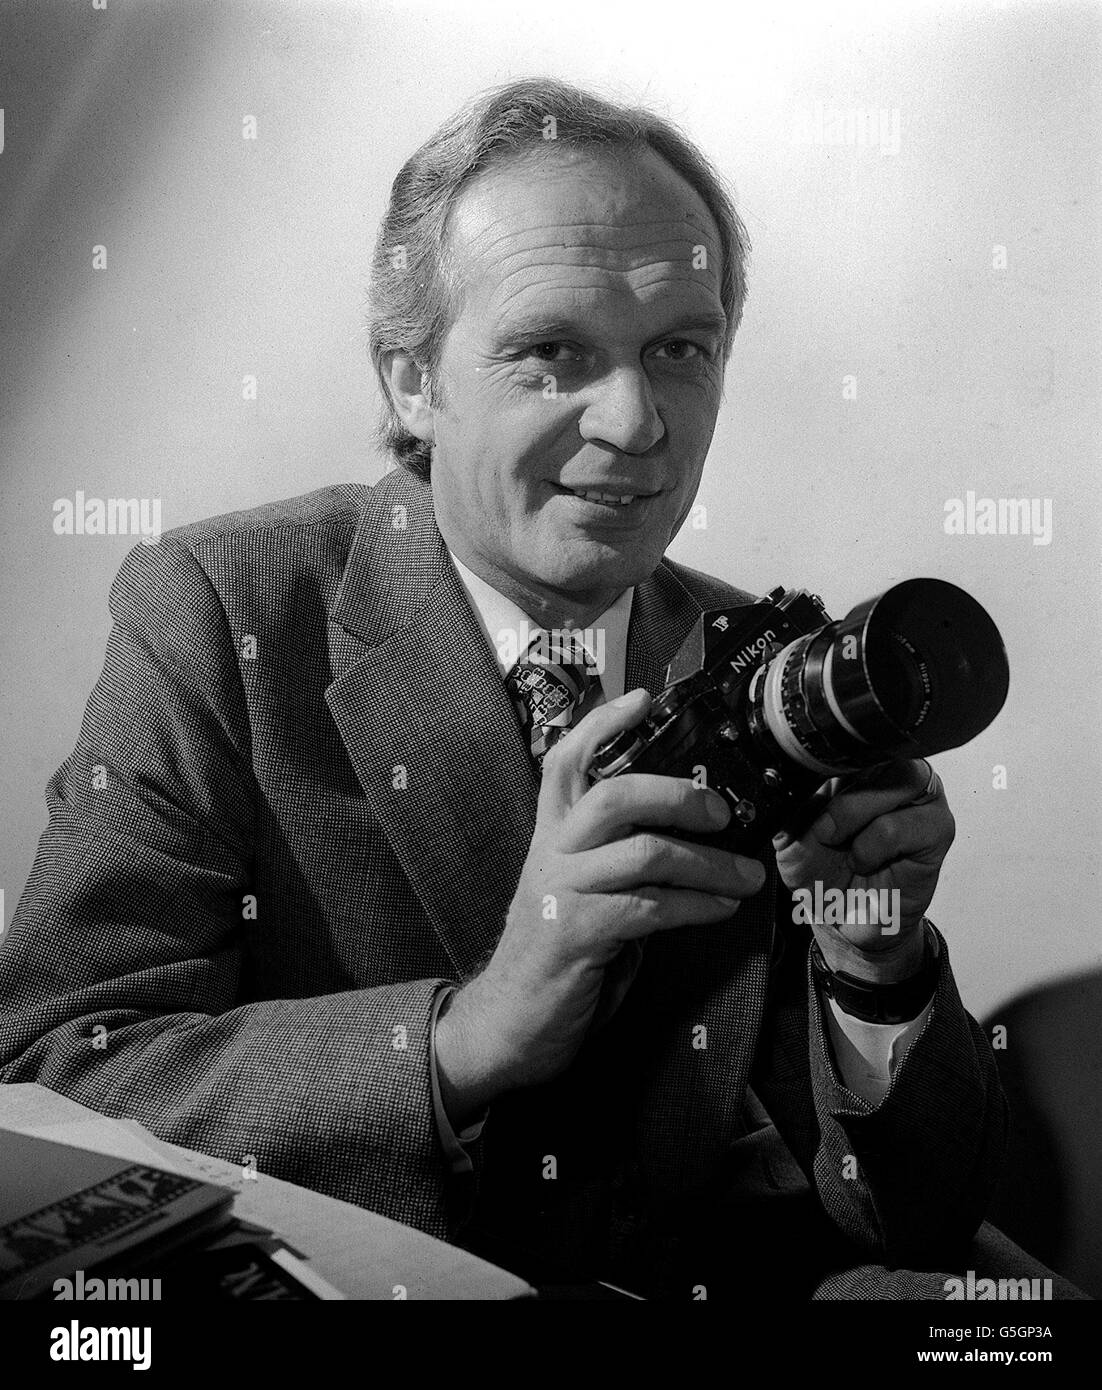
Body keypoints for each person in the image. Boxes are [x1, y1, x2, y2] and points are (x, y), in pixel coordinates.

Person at [0, 78, 1067, 1300]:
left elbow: (914, 1214)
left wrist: (872, 968)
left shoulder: (754, 660)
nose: (634, 422)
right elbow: (55, 1070)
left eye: (681, 349)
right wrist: (465, 1035)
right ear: (413, 383)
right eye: (553, 351)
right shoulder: (224, 612)